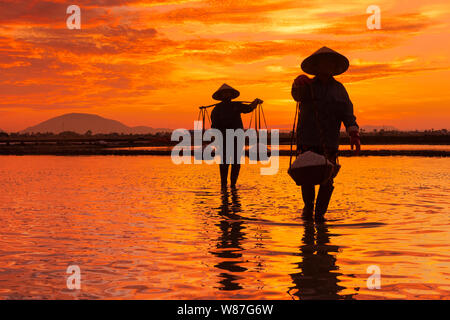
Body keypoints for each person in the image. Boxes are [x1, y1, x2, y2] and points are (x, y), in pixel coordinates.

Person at [291, 47, 361, 222]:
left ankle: (320, 214)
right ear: (317, 65)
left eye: (330, 62)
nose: (327, 65)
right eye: (323, 62)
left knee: (327, 179)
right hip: (307, 138)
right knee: (307, 176)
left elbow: (347, 112)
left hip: (329, 141)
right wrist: (296, 83)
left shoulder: (339, 89)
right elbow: (296, 95)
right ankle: (308, 209)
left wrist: (353, 132)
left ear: (334, 66)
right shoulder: (307, 85)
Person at [210, 83, 263, 189]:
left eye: (228, 92)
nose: (227, 94)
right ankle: (223, 184)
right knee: (224, 162)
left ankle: (233, 184)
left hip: (237, 138)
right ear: (221, 96)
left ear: (231, 94)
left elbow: (248, 108)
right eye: (224, 93)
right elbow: (214, 125)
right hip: (223, 138)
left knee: (236, 162)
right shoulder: (217, 109)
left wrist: (255, 102)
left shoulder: (236, 105)